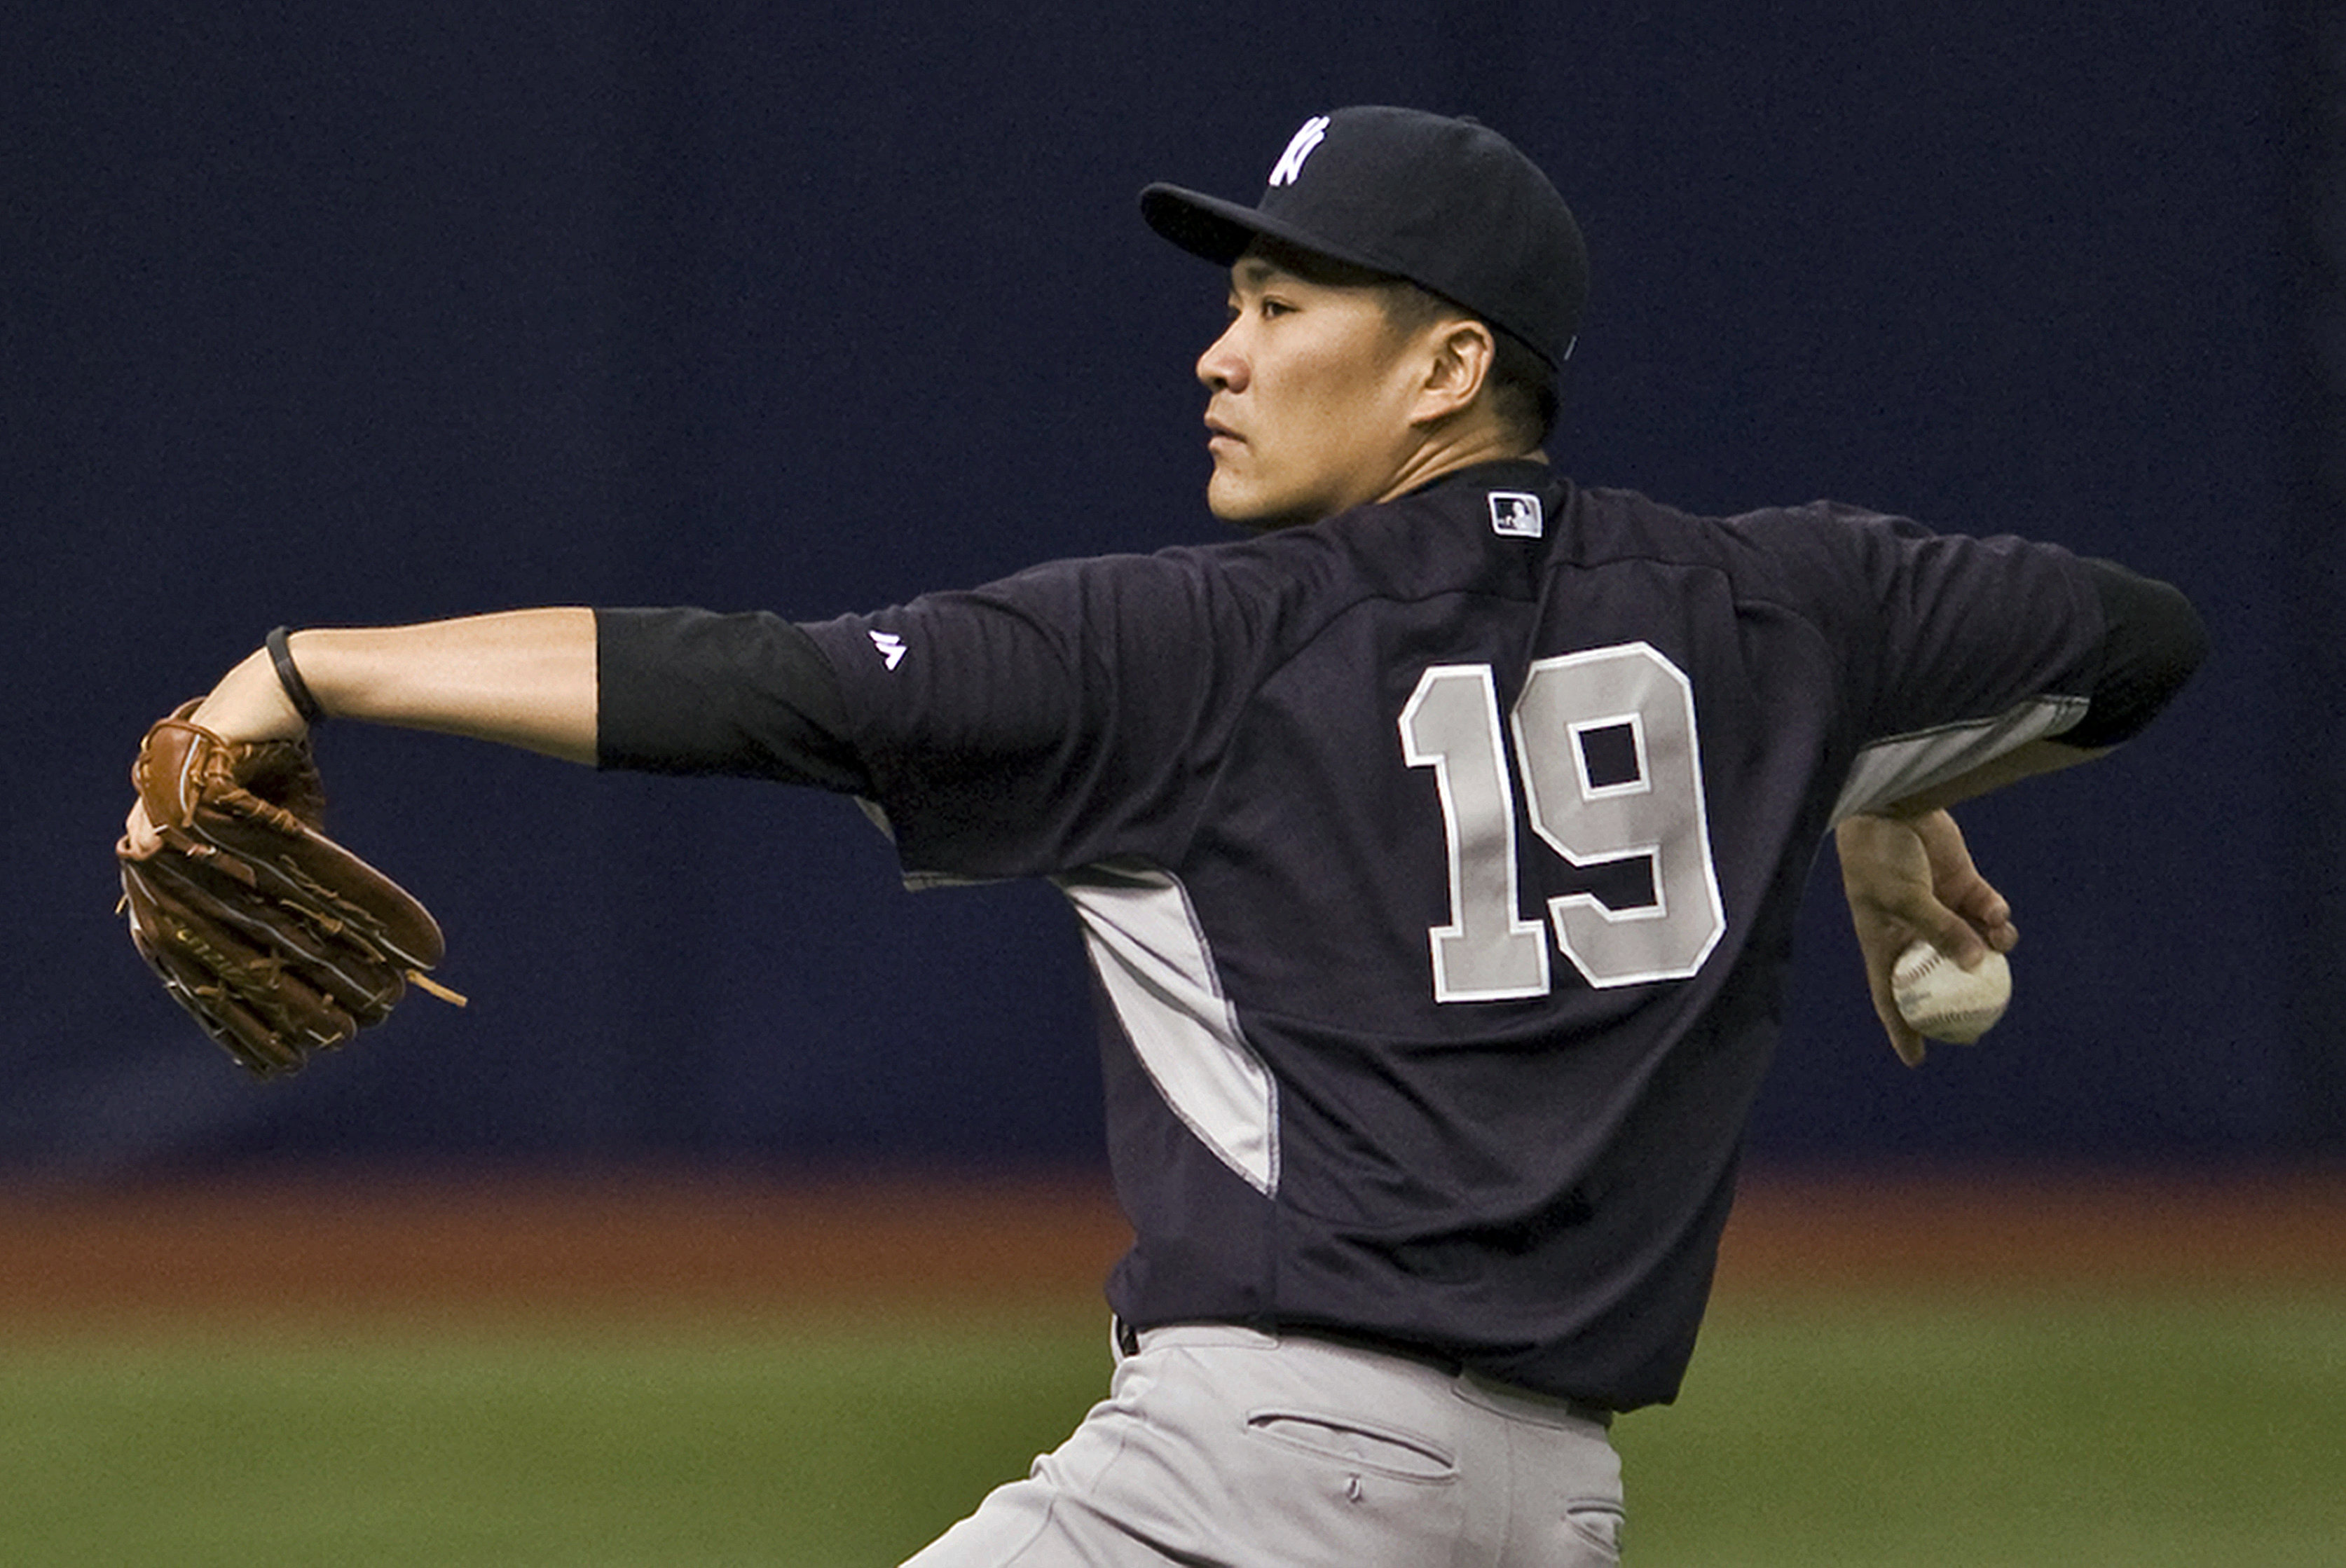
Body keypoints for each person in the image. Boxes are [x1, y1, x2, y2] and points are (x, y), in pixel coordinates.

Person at [125, 105, 2206, 1564]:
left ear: (1448, 365)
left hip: (1265, 1483)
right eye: (1234, 300)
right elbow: (2135, 648)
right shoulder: (1779, 613)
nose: (1220, 351)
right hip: (1553, 1510)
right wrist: (1870, 777)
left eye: (1287, 307)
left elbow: (753, 683)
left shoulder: (1194, 648)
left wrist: (315, 670)